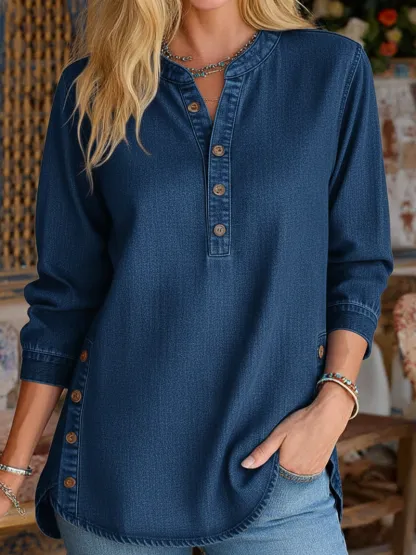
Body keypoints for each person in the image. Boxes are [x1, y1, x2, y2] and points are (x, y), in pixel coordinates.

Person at [0, 0, 394, 553]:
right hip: (118, 476)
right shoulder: (95, 88)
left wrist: (335, 400)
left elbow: (359, 261)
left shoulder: (331, 69)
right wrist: (11, 471)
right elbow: (64, 299)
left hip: (276, 471)